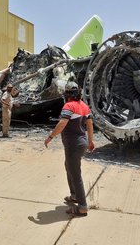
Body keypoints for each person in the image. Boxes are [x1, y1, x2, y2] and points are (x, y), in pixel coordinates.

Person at [44, 81, 94, 217]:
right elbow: (90, 124)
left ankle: (82, 206)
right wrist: (90, 141)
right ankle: (74, 196)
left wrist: (50, 137)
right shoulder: (84, 106)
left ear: (67, 94)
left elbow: (62, 123)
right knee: (69, 166)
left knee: (75, 174)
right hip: (81, 143)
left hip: (73, 145)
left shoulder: (68, 106)